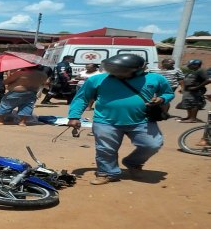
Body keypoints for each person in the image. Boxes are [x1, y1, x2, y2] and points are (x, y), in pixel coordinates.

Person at [67, 54, 174, 185]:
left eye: (121, 72)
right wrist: (74, 116)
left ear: (138, 69)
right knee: (105, 149)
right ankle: (107, 173)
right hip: (105, 121)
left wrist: (162, 99)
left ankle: (133, 162)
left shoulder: (155, 78)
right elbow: (82, 98)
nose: (117, 74)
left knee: (152, 144)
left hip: (142, 120)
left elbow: (168, 93)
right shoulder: (96, 79)